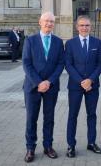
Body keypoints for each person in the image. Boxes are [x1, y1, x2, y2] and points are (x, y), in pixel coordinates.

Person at [22, 12, 65, 163]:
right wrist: (39, 82)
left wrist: (49, 82)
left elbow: (61, 64)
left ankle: (48, 146)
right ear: (40, 22)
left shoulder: (59, 42)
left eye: (52, 22)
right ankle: (30, 148)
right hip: (33, 87)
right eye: (46, 21)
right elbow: (26, 64)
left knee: (49, 118)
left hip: (51, 88)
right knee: (31, 119)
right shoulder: (30, 40)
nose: (49, 24)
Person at [65, 15, 101, 157]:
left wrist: (90, 80)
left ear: (90, 27)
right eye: (81, 25)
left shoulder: (97, 43)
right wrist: (81, 81)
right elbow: (68, 64)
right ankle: (71, 145)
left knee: (92, 115)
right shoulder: (70, 44)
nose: (84, 28)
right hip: (75, 86)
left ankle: (91, 143)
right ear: (77, 27)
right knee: (72, 116)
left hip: (92, 86)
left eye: (87, 25)